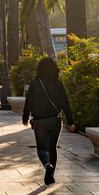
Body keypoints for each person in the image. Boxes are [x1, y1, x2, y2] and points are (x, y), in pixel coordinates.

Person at [22, 57, 75, 185]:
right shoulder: (58, 84)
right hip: (55, 120)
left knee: (41, 149)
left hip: (40, 122)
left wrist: (25, 116)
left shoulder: (35, 83)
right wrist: (71, 121)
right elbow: (65, 103)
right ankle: (50, 176)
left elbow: (28, 101)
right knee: (52, 148)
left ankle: (47, 166)